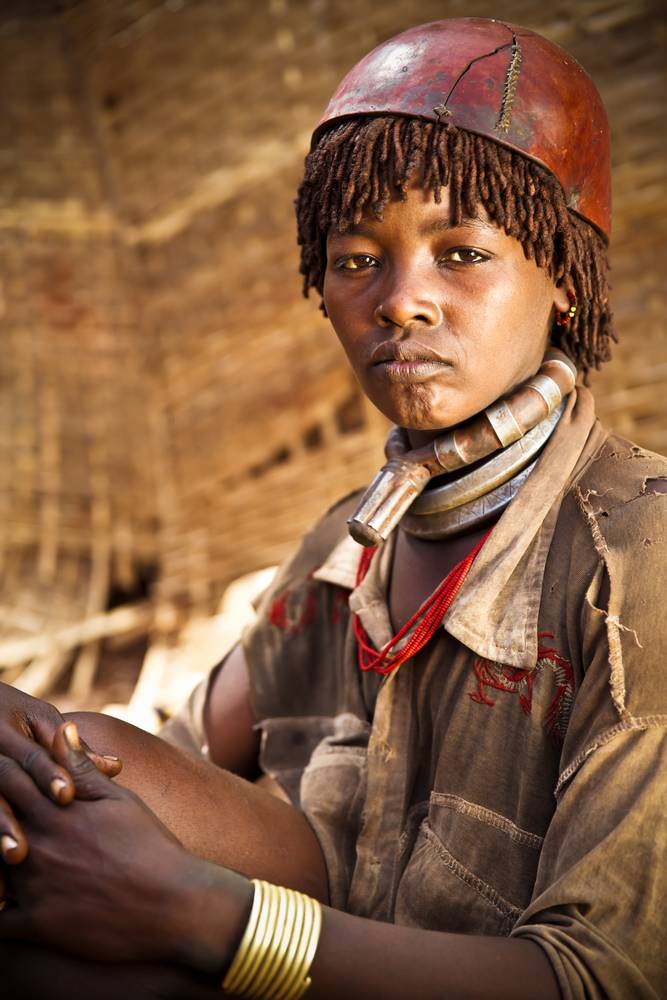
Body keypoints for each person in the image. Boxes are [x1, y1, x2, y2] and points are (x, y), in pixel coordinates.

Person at [0, 16, 665, 1000]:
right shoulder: (347, 547)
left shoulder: (637, 555)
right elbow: (158, 760)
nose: (401, 299)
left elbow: (604, 979)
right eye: (358, 260)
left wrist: (196, 911)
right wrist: (24, 737)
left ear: (562, 276)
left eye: (462, 252)